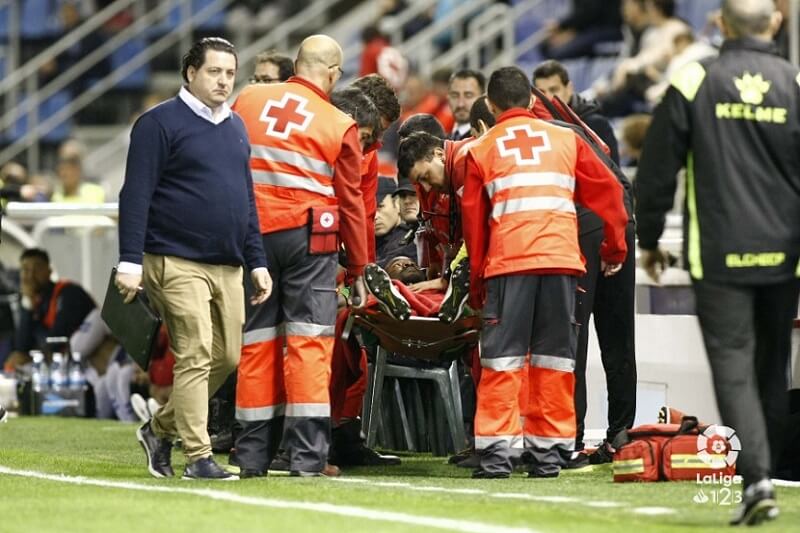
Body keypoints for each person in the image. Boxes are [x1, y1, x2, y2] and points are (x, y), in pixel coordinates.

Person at [635, 0, 799, 525]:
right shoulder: (794, 83)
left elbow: (657, 168)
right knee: (770, 369)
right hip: (784, 256)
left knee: (733, 369)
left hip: (721, 256)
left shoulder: (692, 80)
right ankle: (766, 476)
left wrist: (650, 238)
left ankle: (755, 481)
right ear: (774, 23)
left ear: (721, 25)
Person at [461, 66, 628, 479]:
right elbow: (608, 190)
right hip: (561, 263)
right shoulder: (566, 138)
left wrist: (478, 278)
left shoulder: (481, 149)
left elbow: (474, 222)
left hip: (510, 264)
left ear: (492, 104)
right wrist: (614, 245)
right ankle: (549, 456)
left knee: (502, 362)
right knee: (555, 362)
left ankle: (497, 457)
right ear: (533, 100)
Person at [116, 37, 271, 481]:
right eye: (213, 72)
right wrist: (129, 260)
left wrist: (256, 260)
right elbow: (135, 196)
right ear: (190, 73)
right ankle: (198, 457)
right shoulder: (158, 123)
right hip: (174, 259)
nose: (223, 80)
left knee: (227, 359)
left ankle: (159, 429)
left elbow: (245, 199)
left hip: (228, 263)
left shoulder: (237, 126)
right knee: (196, 353)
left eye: (229, 72)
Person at [232, 34, 368, 478]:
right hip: (310, 240)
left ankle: (251, 455)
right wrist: (362, 268)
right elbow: (350, 203)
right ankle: (307, 459)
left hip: (251, 237)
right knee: (309, 342)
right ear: (332, 74)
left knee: (257, 343)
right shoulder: (339, 122)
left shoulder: (249, 98)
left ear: (295, 63)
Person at [533, 59, 637, 466]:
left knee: (569, 338)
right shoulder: (573, 119)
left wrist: (611, 245)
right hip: (616, 223)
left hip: (591, 226)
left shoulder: (539, 126)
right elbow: (614, 177)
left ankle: (570, 439)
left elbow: (601, 184)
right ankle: (620, 434)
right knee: (617, 338)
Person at [4, 248, 96, 372]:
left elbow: (58, 341)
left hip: (88, 364)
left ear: (49, 271)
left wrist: (30, 358)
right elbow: (21, 346)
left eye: (37, 268)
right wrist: (28, 305)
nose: (31, 275)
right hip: (60, 365)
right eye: (25, 269)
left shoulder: (69, 293)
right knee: (13, 364)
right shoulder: (33, 300)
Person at [351, 74, 402, 263]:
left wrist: (365, 269)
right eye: (377, 129)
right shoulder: (321, 135)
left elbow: (365, 215)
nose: (378, 140)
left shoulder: (369, 154)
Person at [374, 177, 417, 268]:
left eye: (380, 206)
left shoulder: (413, 235)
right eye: (369, 211)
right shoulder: (367, 243)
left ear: (397, 203)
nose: (375, 216)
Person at [447, 69, 486, 140]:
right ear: (448, 97)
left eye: (468, 95)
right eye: (455, 95)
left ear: (483, 98)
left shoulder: (485, 140)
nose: (460, 104)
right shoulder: (443, 139)